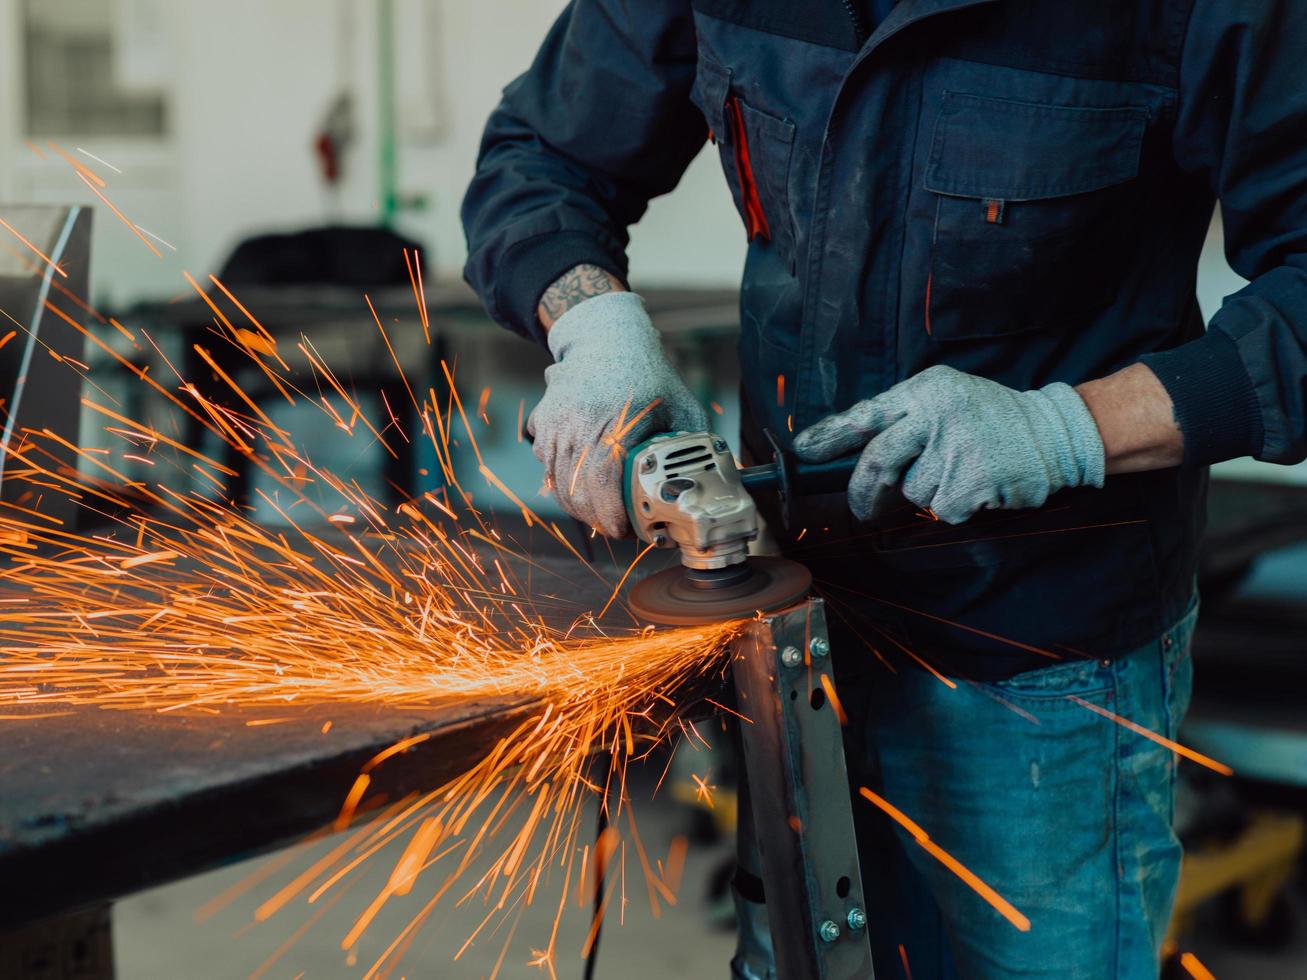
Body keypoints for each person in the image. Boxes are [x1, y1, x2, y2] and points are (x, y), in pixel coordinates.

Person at [461, 2, 1307, 976]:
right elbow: (538, 156)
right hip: (793, 620)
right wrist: (591, 321)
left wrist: (1065, 428)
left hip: (1044, 648)